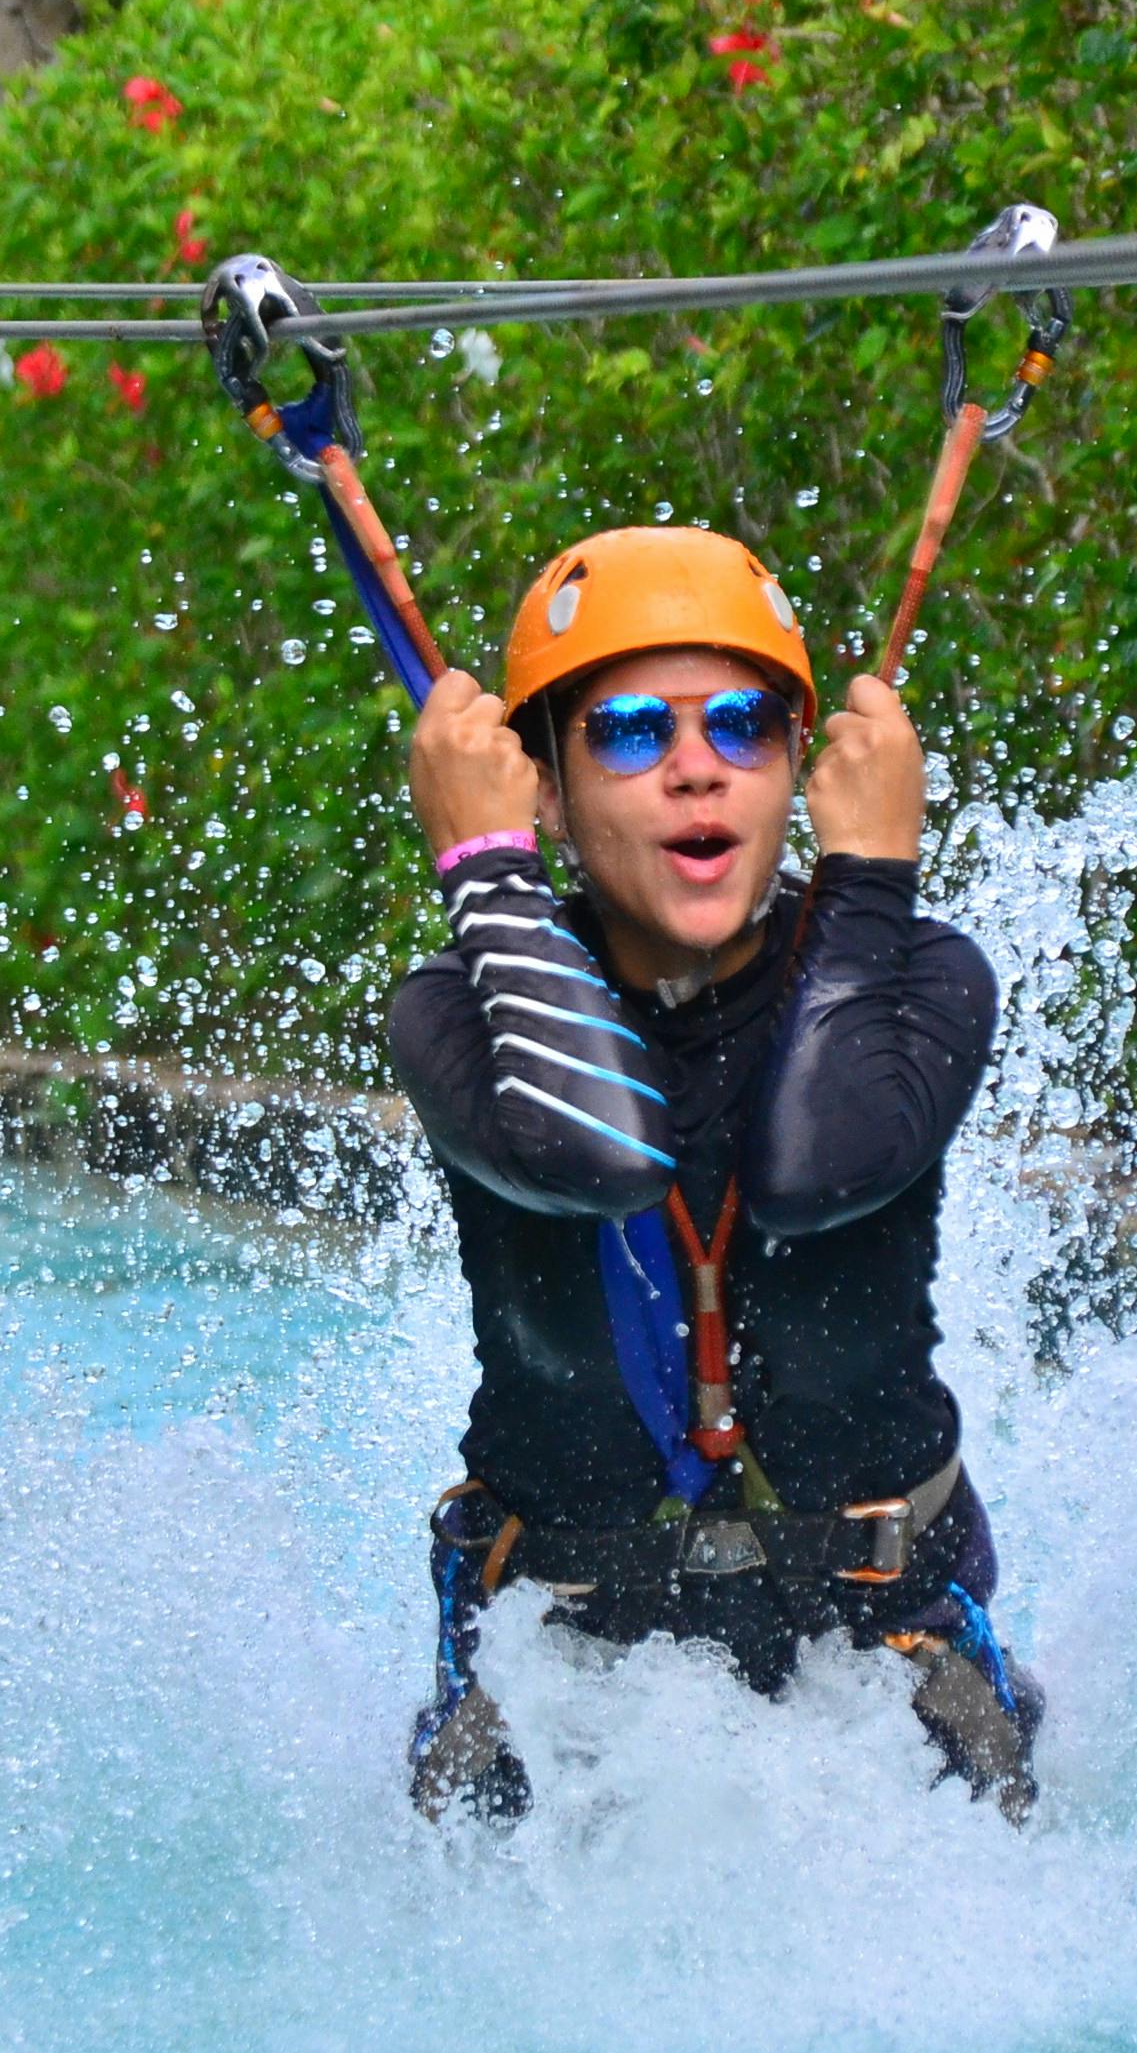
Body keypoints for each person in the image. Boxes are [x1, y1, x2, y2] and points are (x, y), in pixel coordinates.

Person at [386, 525, 1036, 1824]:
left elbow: (812, 1174)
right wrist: (485, 873)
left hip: (886, 1656)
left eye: (745, 726)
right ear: (544, 787)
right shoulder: (458, 1012)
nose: (698, 768)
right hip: (566, 1673)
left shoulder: (921, 977)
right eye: (631, 732)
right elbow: (604, 1156)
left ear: (803, 768)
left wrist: (869, 878)